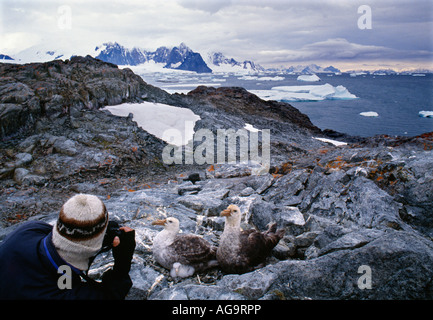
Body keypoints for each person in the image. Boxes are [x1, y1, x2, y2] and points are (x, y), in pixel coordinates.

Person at [0, 193, 135, 299]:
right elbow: (111, 295)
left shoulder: (29, 230)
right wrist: (122, 263)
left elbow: (65, 246)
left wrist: (99, 239)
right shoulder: (62, 294)